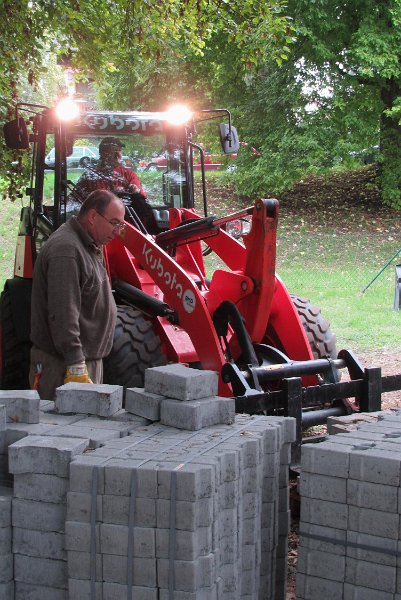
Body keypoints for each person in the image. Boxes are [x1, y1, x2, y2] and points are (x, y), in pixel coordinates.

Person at [29, 189, 125, 400]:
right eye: (114, 223)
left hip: (82, 361)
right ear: (92, 217)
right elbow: (63, 312)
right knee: (59, 430)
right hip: (63, 365)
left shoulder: (87, 246)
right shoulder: (67, 251)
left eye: (121, 225)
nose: (117, 231)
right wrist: (75, 364)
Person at [69, 137, 147, 205]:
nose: (121, 154)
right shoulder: (89, 176)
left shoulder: (128, 175)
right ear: (116, 154)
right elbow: (73, 199)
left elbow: (141, 197)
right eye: (120, 151)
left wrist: (135, 190)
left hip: (125, 219)